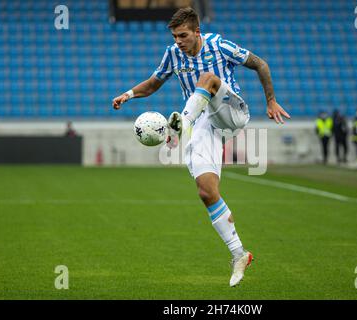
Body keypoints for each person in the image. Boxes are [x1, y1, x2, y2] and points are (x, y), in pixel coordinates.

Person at [111, 7, 290, 286]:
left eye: (183, 35)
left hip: (231, 111)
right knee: (206, 191)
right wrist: (128, 94)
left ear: (196, 32)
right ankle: (239, 253)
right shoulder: (173, 54)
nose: (178, 41)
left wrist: (271, 100)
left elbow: (261, 64)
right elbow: (153, 83)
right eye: (175, 36)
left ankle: (182, 121)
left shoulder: (219, 44)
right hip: (205, 123)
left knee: (206, 78)